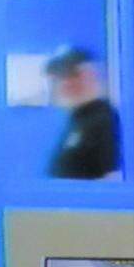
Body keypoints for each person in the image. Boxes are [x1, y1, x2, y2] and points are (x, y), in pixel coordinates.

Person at [45, 47, 121, 179]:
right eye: (60, 76)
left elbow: (112, 178)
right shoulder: (78, 121)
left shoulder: (104, 120)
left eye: (73, 74)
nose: (66, 82)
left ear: (92, 75)